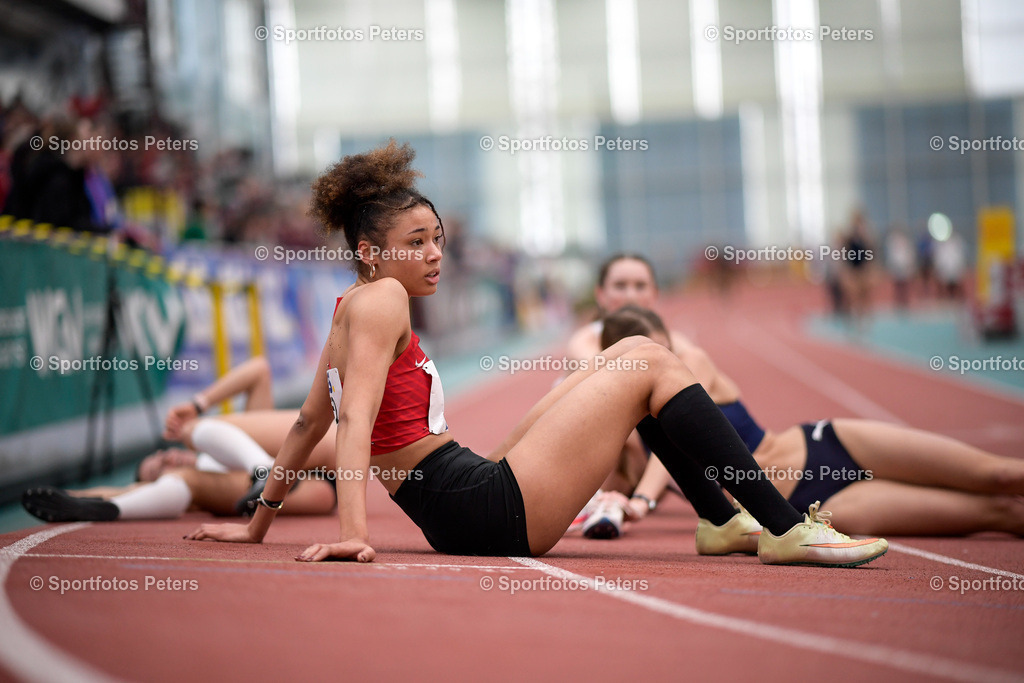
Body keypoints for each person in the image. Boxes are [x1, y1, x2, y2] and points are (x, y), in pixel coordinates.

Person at [185, 140, 887, 568]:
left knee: (615, 370)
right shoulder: (384, 301)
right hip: (481, 506)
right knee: (643, 353)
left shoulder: (350, 307)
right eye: (417, 241)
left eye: (438, 237)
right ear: (370, 253)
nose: (434, 254)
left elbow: (310, 424)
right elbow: (354, 424)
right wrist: (353, 533)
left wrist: (256, 527)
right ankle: (784, 528)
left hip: (466, 491)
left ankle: (723, 518)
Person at [597, 303, 1024, 538]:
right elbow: (617, 478)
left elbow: (671, 454)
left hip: (826, 444)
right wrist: (613, 499)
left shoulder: (691, 363)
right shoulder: (633, 422)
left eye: (662, 349)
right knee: (999, 515)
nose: (657, 363)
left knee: (1000, 475)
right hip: (811, 509)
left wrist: (643, 500)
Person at [23, 357, 338, 522]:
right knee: (189, 480)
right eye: (160, 470)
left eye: (162, 455)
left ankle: (262, 467)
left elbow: (259, 370)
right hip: (316, 490)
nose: (168, 460)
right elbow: (128, 488)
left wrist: (198, 404)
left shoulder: (220, 440)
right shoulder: (199, 479)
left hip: (314, 452)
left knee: (190, 430)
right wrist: (73, 496)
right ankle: (116, 510)